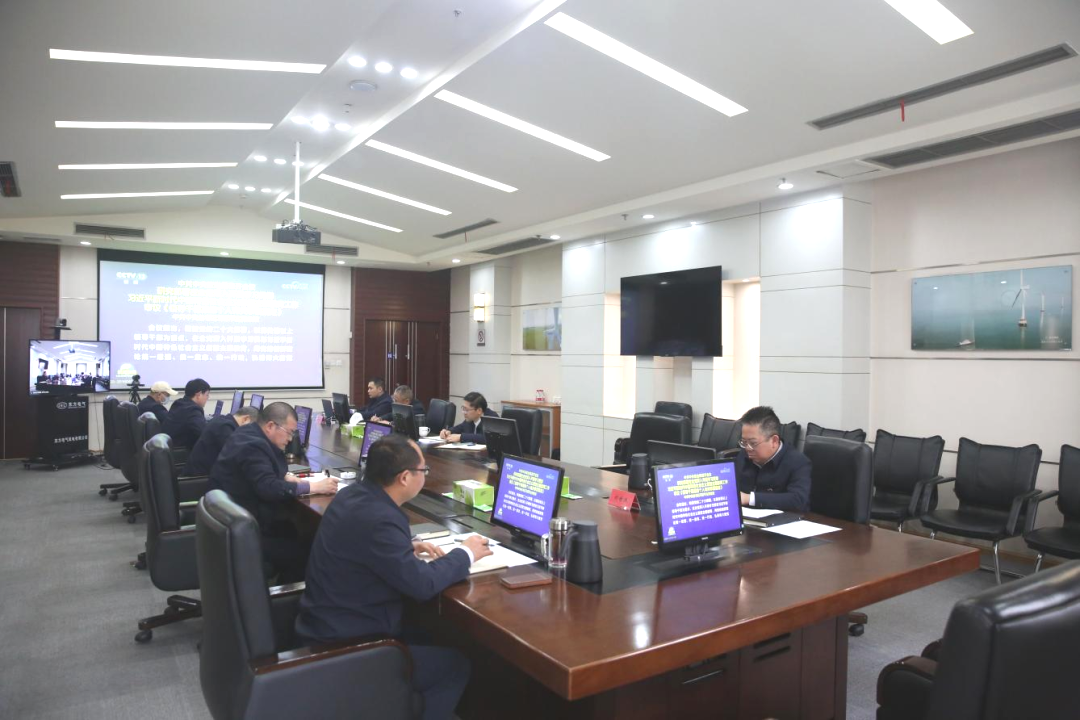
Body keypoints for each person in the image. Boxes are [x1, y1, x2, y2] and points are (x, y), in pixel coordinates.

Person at [295, 434, 492, 720]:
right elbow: (422, 585)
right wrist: (466, 553)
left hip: (325, 621)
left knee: (428, 634)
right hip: (350, 643)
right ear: (404, 477)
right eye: (424, 470)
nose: (425, 475)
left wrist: (403, 547)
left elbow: (361, 542)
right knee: (455, 664)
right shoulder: (381, 518)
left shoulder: (353, 495)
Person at [209, 402, 337, 581]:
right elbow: (268, 488)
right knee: (310, 550)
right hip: (246, 533)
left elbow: (257, 471)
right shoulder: (253, 446)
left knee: (297, 530)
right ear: (270, 426)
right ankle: (287, 595)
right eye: (289, 432)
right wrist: (313, 487)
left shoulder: (247, 433)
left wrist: (284, 476)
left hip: (232, 522)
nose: (291, 439)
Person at [734, 405, 812, 512]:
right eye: (744, 442)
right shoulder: (744, 455)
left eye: (753, 443)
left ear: (774, 441)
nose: (747, 448)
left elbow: (798, 499)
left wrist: (749, 498)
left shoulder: (798, 462)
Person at [182, 405, 259, 476]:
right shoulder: (225, 428)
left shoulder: (221, 420)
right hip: (199, 479)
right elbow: (236, 457)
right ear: (246, 419)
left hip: (201, 473)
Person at [161, 378, 211, 448]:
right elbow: (205, 433)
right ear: (199, 395)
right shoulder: (192, 410)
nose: (208, 398)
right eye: (207, 395)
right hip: (181, 451)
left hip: (170, 446)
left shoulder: (179, 403)